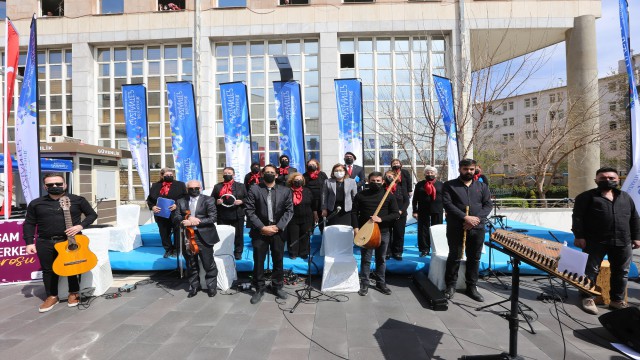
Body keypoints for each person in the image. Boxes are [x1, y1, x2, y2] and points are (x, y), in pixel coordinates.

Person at [24, 173, 98, 312]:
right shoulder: (36, 203)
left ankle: (74, 292)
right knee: (48, 270)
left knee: (73, 267)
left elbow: (92, 215)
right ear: (45, 187)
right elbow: (29, 223)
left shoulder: (78, 200)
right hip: (45, 241)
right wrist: (29, 242)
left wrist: (80, 226)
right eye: (51, 185)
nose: (55, 187)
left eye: (58, 184)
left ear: (65, 185)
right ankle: (52, 296)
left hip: (69, 241)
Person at [572, 167, 640, 314]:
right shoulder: (585, 197)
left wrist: (637, 237)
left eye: (611, 178)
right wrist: (579, 236)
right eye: (603, 178)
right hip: (595, 241)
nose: (607, 180)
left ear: (617, 180)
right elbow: (577, 218)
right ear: (596, 180)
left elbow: (634, 218)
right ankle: (587, 297)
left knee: (621, 272)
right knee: (590, 271)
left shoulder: (625, 197)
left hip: (623, 240)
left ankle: (617, 301)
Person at [442, 159, 492, 302]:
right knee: (455, 256)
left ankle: (472, 287)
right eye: (465, 169)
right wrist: (465, 218)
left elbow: (488, 205)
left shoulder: (482, 186)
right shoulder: (449, 185)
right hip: (456, 227)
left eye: (471, 169)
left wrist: (474, 220)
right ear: (460, 169)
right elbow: (447, 204)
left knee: (474, 258)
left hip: (477, 228)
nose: (468, 172)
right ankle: (450, 286)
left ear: (475, 169)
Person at [245, 164, 294, 304]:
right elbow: (249, 210)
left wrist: (278, 227)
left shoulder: (285, 190)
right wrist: (262, 227)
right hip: (260, 231)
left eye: (272, 172)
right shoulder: (254, 189)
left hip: (278, 232)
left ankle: (277, 286)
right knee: (259, 261)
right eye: (267, 172)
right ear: (262, 174)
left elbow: (289, 211)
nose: (270, 174)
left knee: (278, 259)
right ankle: (259, 288)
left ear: (277, 175)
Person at [353, 172, 400, 296]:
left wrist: (381, 219)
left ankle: (380, 283)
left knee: (381, 259)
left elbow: (396, 213)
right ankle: (364, 283)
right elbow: (354, 213)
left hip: (383, 232)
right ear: (368, 181)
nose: (376, 183)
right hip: (366, 232)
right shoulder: (360, 195)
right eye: (373, 180)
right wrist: (356, 228)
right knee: (366, 258)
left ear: (383, 181)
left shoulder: (388, 195)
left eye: (378, 181)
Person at [173, 180, 220, 298]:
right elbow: (177, 216)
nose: (194, 190)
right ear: (187, 189)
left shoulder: (208, 200)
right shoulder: (181, 201)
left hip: (204, 236)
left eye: (196, 188)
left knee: (208, 263)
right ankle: (194, 286)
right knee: (191, 263)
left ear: (200, 188)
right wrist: (184, 221)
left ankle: (211, 287)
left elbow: (213, 218)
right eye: (191, 188)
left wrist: (196, 221)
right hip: (187, 236)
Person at [146, 168, 187, 258]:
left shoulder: (180, 185)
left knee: (177, 232)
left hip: (176, 213)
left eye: (171, 175)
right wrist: (152, 207)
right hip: (161, 214)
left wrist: (177, 205)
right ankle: (168, 249)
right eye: (167, 175)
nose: (169, 177)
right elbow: (149, 199)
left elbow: (185, 198)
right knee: (164, 233)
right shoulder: (155, 185)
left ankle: (177, 249)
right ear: (162, 176)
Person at [212, 167, 247, 260]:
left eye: (229, 173)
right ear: (223, 174)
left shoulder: (241, 186)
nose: (227, 174)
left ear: (233, 174)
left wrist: (241, 201)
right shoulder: (217, 186)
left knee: (238, 235)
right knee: (223, 234)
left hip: (237, 214)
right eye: (225, 173)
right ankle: (223, 251)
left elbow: (248, 198)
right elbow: (211, 199)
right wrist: (217, 201)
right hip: (222, 214)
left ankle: (238, 252)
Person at [412, 166, 444, 257]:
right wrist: (415, 210)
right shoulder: (420, 184)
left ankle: (437, 249)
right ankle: (424, 249)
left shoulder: (441, 184)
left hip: (437, 210)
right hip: (423, 210)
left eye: (432, 173)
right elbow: (415, 199)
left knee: (437, 230)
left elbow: (445, 198)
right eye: (428, 172)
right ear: (425, 174)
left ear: (435, 174)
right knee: (423, 230)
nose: (429, 174)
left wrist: (447, 210)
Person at [286, 173, 315, 259]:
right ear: (292, 181)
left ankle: (304, 252)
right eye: (296, 180)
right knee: (293, 236)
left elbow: (312, 203)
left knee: (305, 235)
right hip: (292, 218)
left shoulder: (307, 191)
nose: (298, 181)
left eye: (300, 179)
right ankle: (293, 252)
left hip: (307, 217)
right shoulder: (287, 191)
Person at [384, 170, 409, 261]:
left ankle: (397, 252)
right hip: (387, 215)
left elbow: (406, 201)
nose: (388, 178)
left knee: (399, 234)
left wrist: (401, 211)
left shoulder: (401, 188)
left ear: (395, 177)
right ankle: (387, 252)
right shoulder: (383, 188)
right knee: (387, 234)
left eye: (390, 176)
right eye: (387, 176)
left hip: (400, 215)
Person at [302, 159, 326, 228]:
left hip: (321, 201)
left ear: (317, 165)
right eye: (310, 165)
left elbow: (326, 185)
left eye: (313, 165)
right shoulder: (304, 176)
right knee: (310, 224)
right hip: (310, 202)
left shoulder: (322, 174)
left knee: (322, 224)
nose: (311, 166)